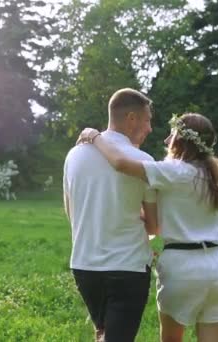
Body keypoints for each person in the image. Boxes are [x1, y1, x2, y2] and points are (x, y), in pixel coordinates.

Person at [78, 113, 218, 342]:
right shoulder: (216, 178)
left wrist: (95, 136)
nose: (166, 140)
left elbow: (120, 164)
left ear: (181, 141)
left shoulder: (174, 171)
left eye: (172, 134)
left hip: (183, 267)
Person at [63, 88, 159, 342]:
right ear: (131, 118)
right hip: (127, 268)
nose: (150, 128)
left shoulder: (73, 156)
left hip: (84, 266)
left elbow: (70, 210)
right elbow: (153, 226)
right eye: (147, 119)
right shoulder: (144, 161)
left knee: (104, 334)